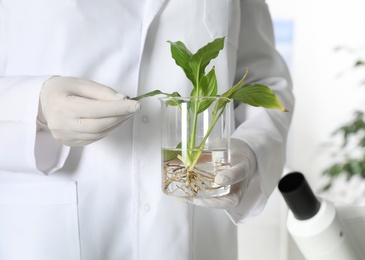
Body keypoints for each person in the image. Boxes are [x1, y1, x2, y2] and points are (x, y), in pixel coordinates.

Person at [0, 1, 294, 259]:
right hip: (49, 222)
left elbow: (264, 79)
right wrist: (33, 106)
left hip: (194, 225)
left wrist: (252, 146)